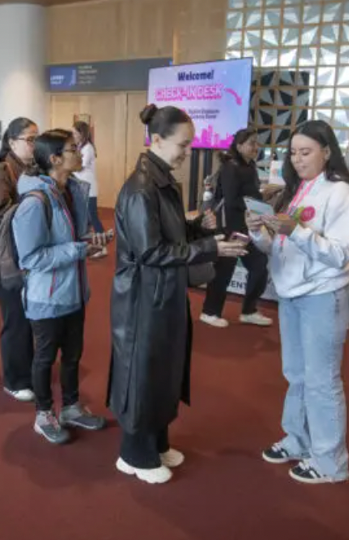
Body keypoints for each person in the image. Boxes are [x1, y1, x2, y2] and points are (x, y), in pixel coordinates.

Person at [108, 105, 247, 484]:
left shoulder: (162, 181)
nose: (188, 152)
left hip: (164, 292)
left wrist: (199, 228)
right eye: (183, 145)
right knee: (143, 372)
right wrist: (209, 248)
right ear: (156, 140)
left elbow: (170, 236)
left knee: (164, 368)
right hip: (142, 298)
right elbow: (150, 252)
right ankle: (134, 454)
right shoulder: (141, 188)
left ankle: (156, 443)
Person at [249, 120, 349, 485]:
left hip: (322, 295)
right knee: (296, 375)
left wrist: (295, 231)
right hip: (291, 293)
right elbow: (277, 246)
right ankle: (298, 440)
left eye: (306, 152)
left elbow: (340, 254)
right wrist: (258, 230)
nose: (298, 159)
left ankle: (331, 461)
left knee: (321, 380)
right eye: (294, 153)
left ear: (326, 152)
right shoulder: (296, 190)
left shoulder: (342, 193)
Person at [12, 129, 112, 444]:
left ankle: (70, 407)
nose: (79, 152)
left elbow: (69, 240)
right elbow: (31, 257)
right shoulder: (35, 202)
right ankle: (43, 414)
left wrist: (89, 242)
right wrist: (78, 249)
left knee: (72, 356)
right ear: (55, 159)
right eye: (72, 148)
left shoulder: (70, 191)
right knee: (45, 358)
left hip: (74, 292)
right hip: (46, 297)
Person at [0, 117, 39, 402]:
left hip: (28, 255)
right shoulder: (2, 171)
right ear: (12, 142)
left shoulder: (33, 169)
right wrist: (34, 209)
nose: (35, 145)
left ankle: (28, 370)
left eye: (37, 138)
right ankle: (14, 380)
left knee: (30, 317)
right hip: (7, 259)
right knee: (15, 318)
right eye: (30, 139)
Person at [201, 128, 273, 328]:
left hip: (247, 226)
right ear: (239, 146)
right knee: (224, 270)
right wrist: (257, 203)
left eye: (257, 142)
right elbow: (232, 200)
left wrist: (261, 198)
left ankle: (249, 310)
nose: (256, 147)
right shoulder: (230, 167)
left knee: (259, 265)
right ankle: (209, 312)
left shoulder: (249, 166)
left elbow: (249, 194)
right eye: (251, 143)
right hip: (230, 227)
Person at [72, 120, 107, 258]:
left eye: (75, 133)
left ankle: (103, 247)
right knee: (84, 219)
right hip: (81, 188)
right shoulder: (79, 147)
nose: (73, 135)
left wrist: (66, 167)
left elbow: (79, 167)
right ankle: (91, 247)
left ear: (82, 133)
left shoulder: (88, 148)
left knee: (93, 218)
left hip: (89, 189)